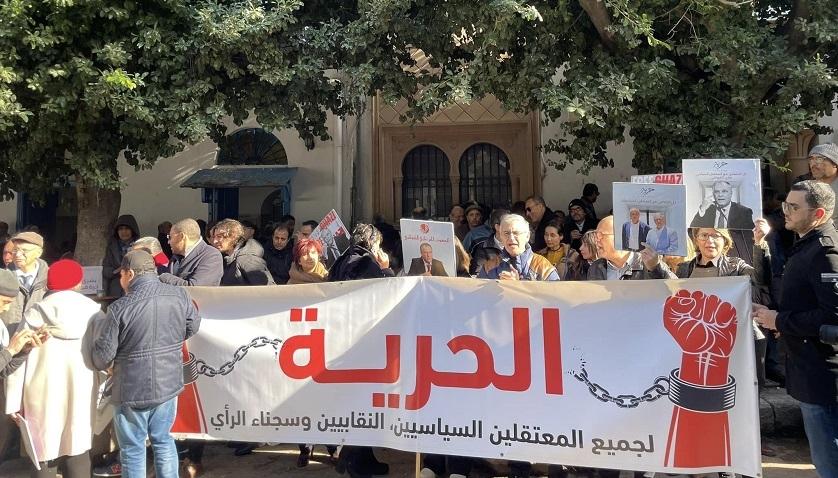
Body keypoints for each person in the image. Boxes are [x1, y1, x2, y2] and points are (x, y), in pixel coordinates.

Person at [752, 180, 838, 478]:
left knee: (830, 463)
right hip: (805, 367)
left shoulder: (826, 253)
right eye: (785, 204)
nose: (784, 211)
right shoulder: (804, 244)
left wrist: (780, 321)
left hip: (822, 375)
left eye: (793, 207)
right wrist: (773, 316)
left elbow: (833, 316)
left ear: (818, 214)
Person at [92, 250, 200, 478]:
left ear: (129, 274)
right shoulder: (179, 295)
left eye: (121, 274)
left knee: (132, 448)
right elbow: (193, 326)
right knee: (163, 440)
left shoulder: (119, 308)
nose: (120, 280)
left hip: (131, 388)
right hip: (168, 382)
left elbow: (102, 357)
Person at [6, 259, 104, 478]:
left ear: (49, 283)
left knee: (42, 449)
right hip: (82, 386)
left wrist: (13, 401)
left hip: (40, 390)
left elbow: (18, 359)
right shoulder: (95, 313)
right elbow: (104, 354)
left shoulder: (35, 313)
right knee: (77, 445)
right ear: (78, 283)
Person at [328, 224, 392, 478]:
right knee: (362, 402)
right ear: (373, 243)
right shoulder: (364, 261)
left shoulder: (343, 258)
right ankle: (355, 461)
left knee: (358, 401)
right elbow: (378, 292)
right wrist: (385, 268)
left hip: (345, 338)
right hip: (361, 339)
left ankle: (360, 458)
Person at [588, 216, 676, 281]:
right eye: (595, 235)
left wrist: (655, 268)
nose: (596, 240)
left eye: (600, 235)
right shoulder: (596, 268)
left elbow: (675, 291)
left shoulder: (648, 262)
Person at [480, 214, 559, 281]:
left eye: (516, 233)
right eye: (506, 233)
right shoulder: (489, 267)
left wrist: (518, 285)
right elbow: (480, 297)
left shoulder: (543, 267)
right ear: (501, 236)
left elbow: (555, 296)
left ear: (527, 236)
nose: (511, 238)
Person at [160, 218, 223, 287]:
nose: (168, 242)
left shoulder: (211, 256)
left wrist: (165, 277)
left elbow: (196, 288)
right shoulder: (176, 256)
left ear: (182, 237)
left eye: (170, 237)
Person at [210, 219, 274, 286]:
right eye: (214, 237)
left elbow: (267, 290)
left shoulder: (248, 260)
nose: (215, 241)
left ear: (233, 237)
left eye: (219, 237)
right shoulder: (225, 259)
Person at [102, 215, 140, 298]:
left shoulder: (141, 245)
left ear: (133, 230)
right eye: (121, 229)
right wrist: (117, 271)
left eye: (127, 228)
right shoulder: (111, 247)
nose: (124, 232)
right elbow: (105, 270)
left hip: (136, 286)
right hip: (116, 288)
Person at [807, 143, 838, 223]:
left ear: (834, 163)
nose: (813, 164)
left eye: (819, 159)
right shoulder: (807, 187)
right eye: (811, 159)